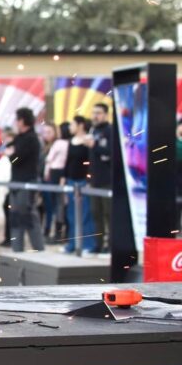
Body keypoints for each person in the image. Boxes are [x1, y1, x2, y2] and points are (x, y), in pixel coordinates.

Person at [5, 108, 45, 252]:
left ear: (22, 120)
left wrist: (11, 155)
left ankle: (40, 251)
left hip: (27, 183)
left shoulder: (31, 139)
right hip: (16, 182)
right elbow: (10, 150)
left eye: (17, 119)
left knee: (29, 217)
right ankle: (17, 250)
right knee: (15, 218)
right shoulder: (20, 138)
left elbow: (15, 158)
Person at [62, 116, 97, 254]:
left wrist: (89, 180)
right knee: (71, 214)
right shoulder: (71, 141)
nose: (70, 127)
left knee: (85, 214)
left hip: (83, 181)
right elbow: (68, 161)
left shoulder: (88, 140)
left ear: (80, 125)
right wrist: (64, 178)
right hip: (71, 181)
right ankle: (72, 243)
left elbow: (91, 162)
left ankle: (88, 244)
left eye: (72, 124)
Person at [85, 103, 112, 254]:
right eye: (94, 112)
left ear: (106, 114)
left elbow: (109, 152)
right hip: (94, 180)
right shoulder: (93, 130)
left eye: (99, 113)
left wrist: (94, 145)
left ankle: (111, 244)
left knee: (108, 213)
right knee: (96, 213)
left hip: (107, 180)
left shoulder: (109, 130)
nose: (95, 116)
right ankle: (99, 243)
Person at [45, 123, 71, 242]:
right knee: (63, 205)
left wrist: (46, 173)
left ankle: (57, 233)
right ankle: (65, 233)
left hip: (55, 174)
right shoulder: (70, 143)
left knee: (58, 205)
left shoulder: (59, 143)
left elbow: (49, 159)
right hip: (64, 174)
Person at [39, 123, 58, 240]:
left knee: (52, 207)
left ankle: (50, 230)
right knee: (45, 207)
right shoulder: (43, 147)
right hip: (43, 181)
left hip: (52, 181)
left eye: (49, 132)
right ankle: (46, 229)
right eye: (44, 132)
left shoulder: (55, 146)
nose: (46, 135)